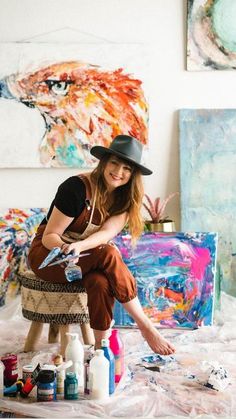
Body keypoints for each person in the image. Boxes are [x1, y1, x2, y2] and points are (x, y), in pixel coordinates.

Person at [28, 134, 175, 355]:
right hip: (49, 257)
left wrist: (79, 247)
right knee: (107, 253)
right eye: (114, 163)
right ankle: (146, 326)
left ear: (133, 174)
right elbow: (50, 235)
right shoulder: (76, 188)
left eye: (127, 168)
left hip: (83, 257)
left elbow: (106, 233)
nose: (119, 171)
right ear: (104, 162)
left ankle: (100, 347)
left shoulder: (125, 200)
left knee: (99, 281)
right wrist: (67, 250)